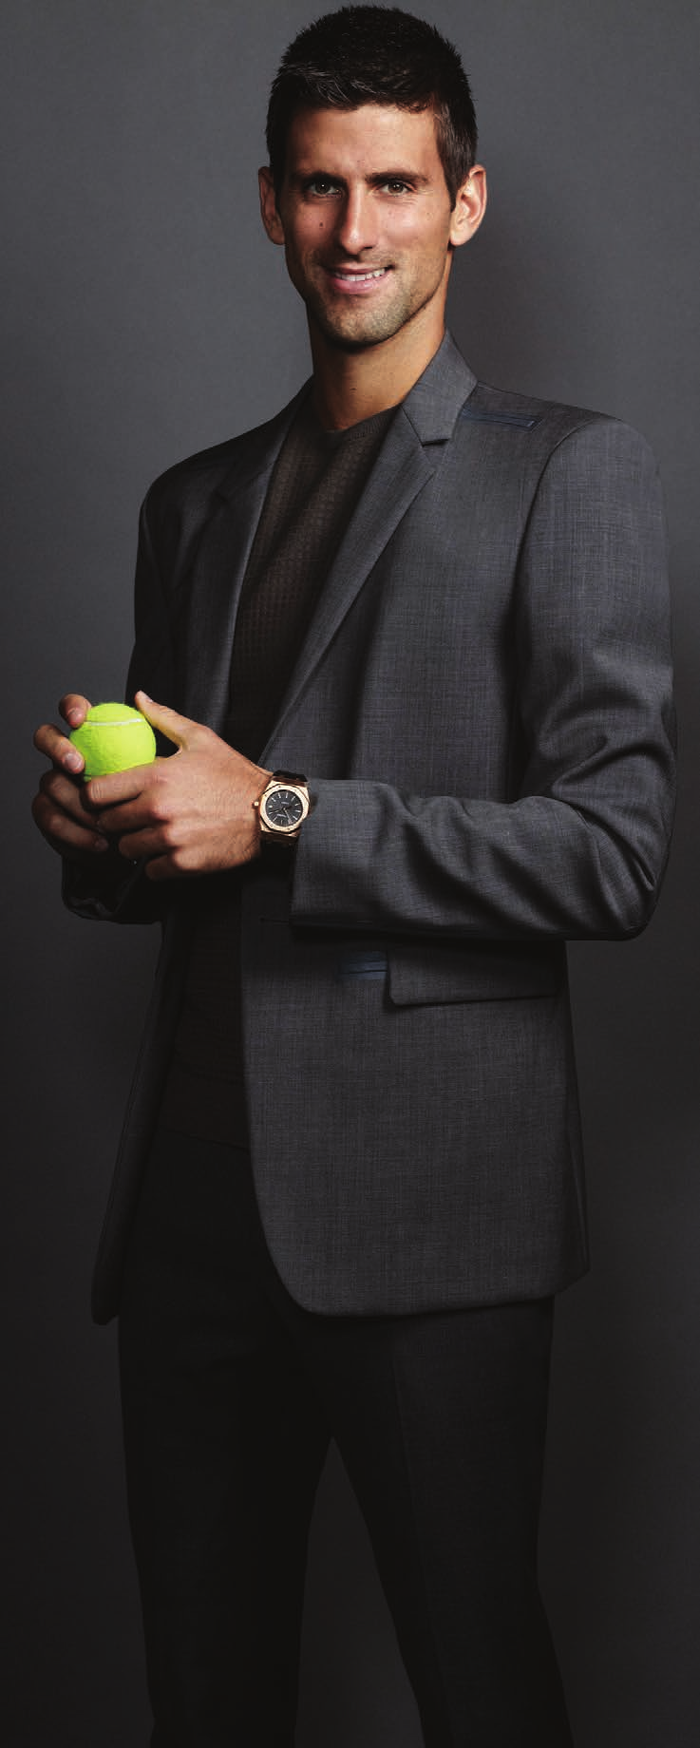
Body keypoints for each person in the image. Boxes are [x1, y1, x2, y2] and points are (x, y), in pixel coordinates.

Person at [32, 7, 675, 1745]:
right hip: (192, 1218)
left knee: (480, 1689)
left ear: (464, 202)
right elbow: (192, 839)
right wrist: (110, 842)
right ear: (270, 205)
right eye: (320, 188)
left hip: (430, 1220)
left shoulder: (568, 473)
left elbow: (614, 851)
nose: (354, 229)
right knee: (205, 1702)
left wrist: (286, 814)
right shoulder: (193, 506)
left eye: (394, 185)